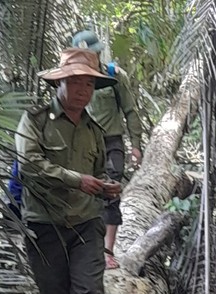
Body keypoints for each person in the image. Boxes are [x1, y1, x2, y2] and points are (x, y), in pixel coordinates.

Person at [15, 48, 122, 294]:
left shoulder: (94, 129)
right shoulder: (36, 120)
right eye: (75, 82)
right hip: (44, 226)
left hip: (85, 224)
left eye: (89, 84)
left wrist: (107, 188)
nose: (83, 90)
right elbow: (28, 164)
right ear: (59, 84)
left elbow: (100, 171)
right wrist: (77, 179)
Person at [71, 30, 144, 269]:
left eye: (90, 55)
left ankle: (107, 251)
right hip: (82, 143)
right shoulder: (70, 80)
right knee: (82, 194)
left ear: (99, 53)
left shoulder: (114, 77)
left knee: (110, 193)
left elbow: (130, 111)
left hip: (111, 143)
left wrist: (135, 145)